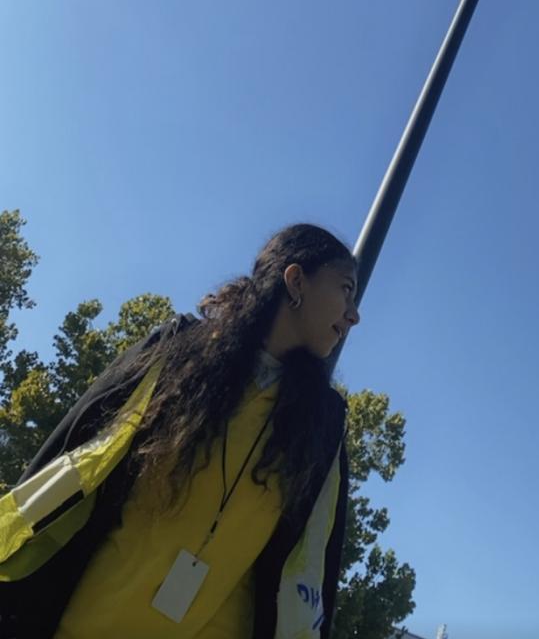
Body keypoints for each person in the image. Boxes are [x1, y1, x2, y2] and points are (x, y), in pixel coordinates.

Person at [0, 223, 361, 639]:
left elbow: (313, 569)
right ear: (295, 281)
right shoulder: (176, 353)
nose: (354, 315)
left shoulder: (322, 425)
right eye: (345, 289)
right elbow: (71, 457)